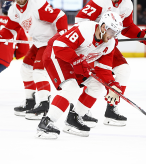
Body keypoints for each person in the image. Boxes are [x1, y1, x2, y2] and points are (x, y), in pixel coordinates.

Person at [74, 0, 146, 127]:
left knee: (124, 70)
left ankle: (111, 109)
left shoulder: (127, 3)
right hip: (91, 46)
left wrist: (142, 35)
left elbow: (127, 27)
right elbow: (81, 20)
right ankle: (79, 110)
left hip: (108, 46)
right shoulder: (100, 0)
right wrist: (98, 38)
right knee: (92, 81)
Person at [0, 0, 68, 119]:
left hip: (50, 41)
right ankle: (30, 101)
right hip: (38, 42)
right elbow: (10, 30)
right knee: (25, 69)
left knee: (38, 71)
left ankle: (44, 104)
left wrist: (62, 34)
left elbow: (60, 16)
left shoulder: (37, 5)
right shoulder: (13, 10)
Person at [36, 11, 123, 139]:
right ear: (104, 27)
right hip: (56, 54)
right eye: (112, 32)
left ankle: (74, 118)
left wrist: (112, 85)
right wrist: (77, 61)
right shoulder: (85, 30)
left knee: (97, 85)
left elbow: (103, 69)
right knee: (72, 87)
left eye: (116, 33)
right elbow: (59, 46)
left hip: (75, 60)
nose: (113, 36)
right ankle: (46, 123)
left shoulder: (109, 44)